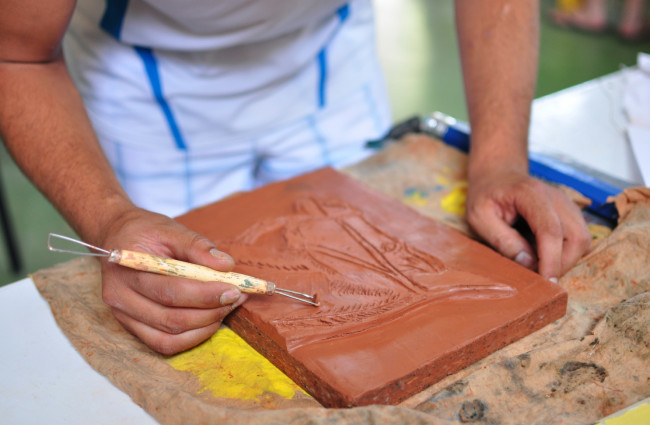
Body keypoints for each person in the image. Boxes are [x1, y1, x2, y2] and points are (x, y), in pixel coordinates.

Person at [0, 0, 591, 355]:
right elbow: (17, 53)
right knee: (177, 301)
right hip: (154, 86)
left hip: (326, 55)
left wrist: (500, 158)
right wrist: (110, 216)